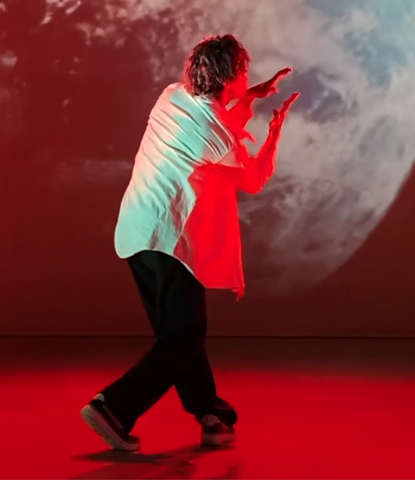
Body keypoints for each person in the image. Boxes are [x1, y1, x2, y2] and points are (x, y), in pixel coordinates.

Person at [80, 34, 299, 452]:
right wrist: (275, 130)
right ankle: (113, 408)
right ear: (232, 76)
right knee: (184, 336)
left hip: (136, 233)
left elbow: (214, 120)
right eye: (244, 72)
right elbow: (251, 178)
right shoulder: (219, 135)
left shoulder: (170, 97)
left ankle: (210, 414)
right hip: (170, 241)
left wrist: (249, 96)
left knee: (180, 336)